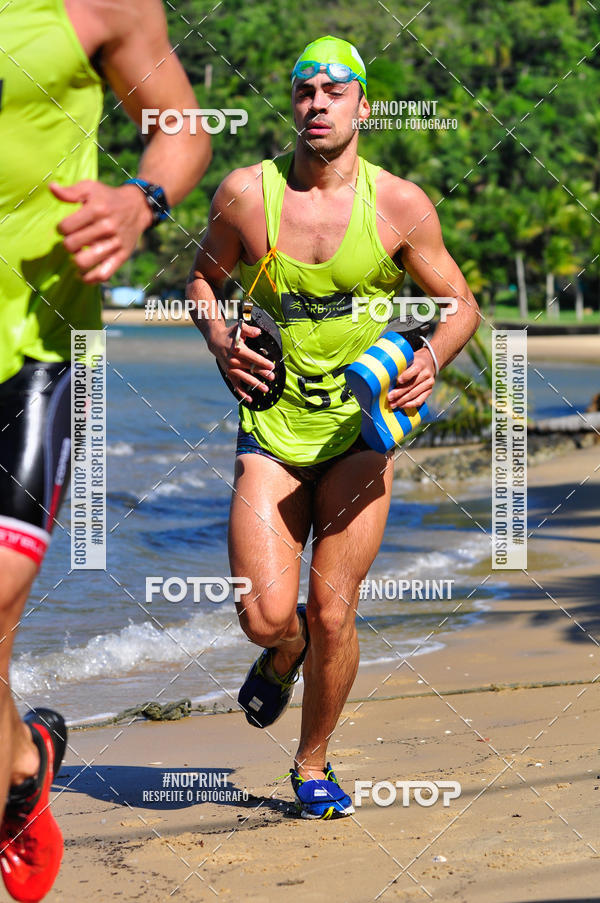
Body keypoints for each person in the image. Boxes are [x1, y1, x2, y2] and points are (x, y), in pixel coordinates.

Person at [187, 35, 479, 819]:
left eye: (333, 90)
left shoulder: (401, 204)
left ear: (363, 106)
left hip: (363, 428)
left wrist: (433, 358)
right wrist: (219, 340)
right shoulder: (247, 193)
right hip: (274, 425)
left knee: (335, 607)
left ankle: (312, 764)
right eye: (304, 90)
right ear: (293, 104)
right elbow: (203, 282)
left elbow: (460, 304)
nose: (316, 103)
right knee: (266, 615)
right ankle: (285, 652)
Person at [0, 1, 211, 898]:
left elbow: (179, 129)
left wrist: (141, 198)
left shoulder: (100, 3)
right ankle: (22, 761)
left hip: (33, 354)